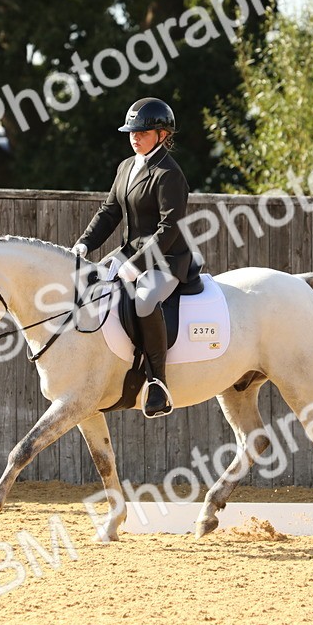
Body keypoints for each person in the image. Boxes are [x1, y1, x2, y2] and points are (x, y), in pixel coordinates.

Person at [73, 97, 194, 418]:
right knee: (89, 285)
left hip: (166, 258)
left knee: (143, 300)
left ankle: (158, 382)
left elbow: (169, 229)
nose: (134, 137)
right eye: (131, 132)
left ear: (162, 134)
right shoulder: (126, 167)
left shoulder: (170, 174)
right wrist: (85, 244)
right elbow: (109, 212)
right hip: (128, 252)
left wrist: (137, 265)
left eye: (142, 132)